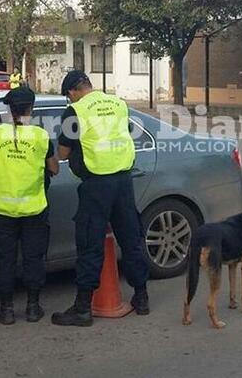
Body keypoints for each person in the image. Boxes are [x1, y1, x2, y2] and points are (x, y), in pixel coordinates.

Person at [51, 70, 149, 327]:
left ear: (72, 92)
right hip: (123, 180)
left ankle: (83, 308)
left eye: (68, 97)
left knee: (90, 242)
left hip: (97, 183)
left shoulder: (76, 111)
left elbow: (62, 152)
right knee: (131, 239)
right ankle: (142, 297)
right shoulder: (118, 103)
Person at [0, 87, 59, 324]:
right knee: (34, 257)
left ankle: (6, 310)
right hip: (34, 208)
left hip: (2, 209)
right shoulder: (40, 136)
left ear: (9, 109)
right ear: (31, 109)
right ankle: (33, 308)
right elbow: (54, 168)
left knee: (6, 259)